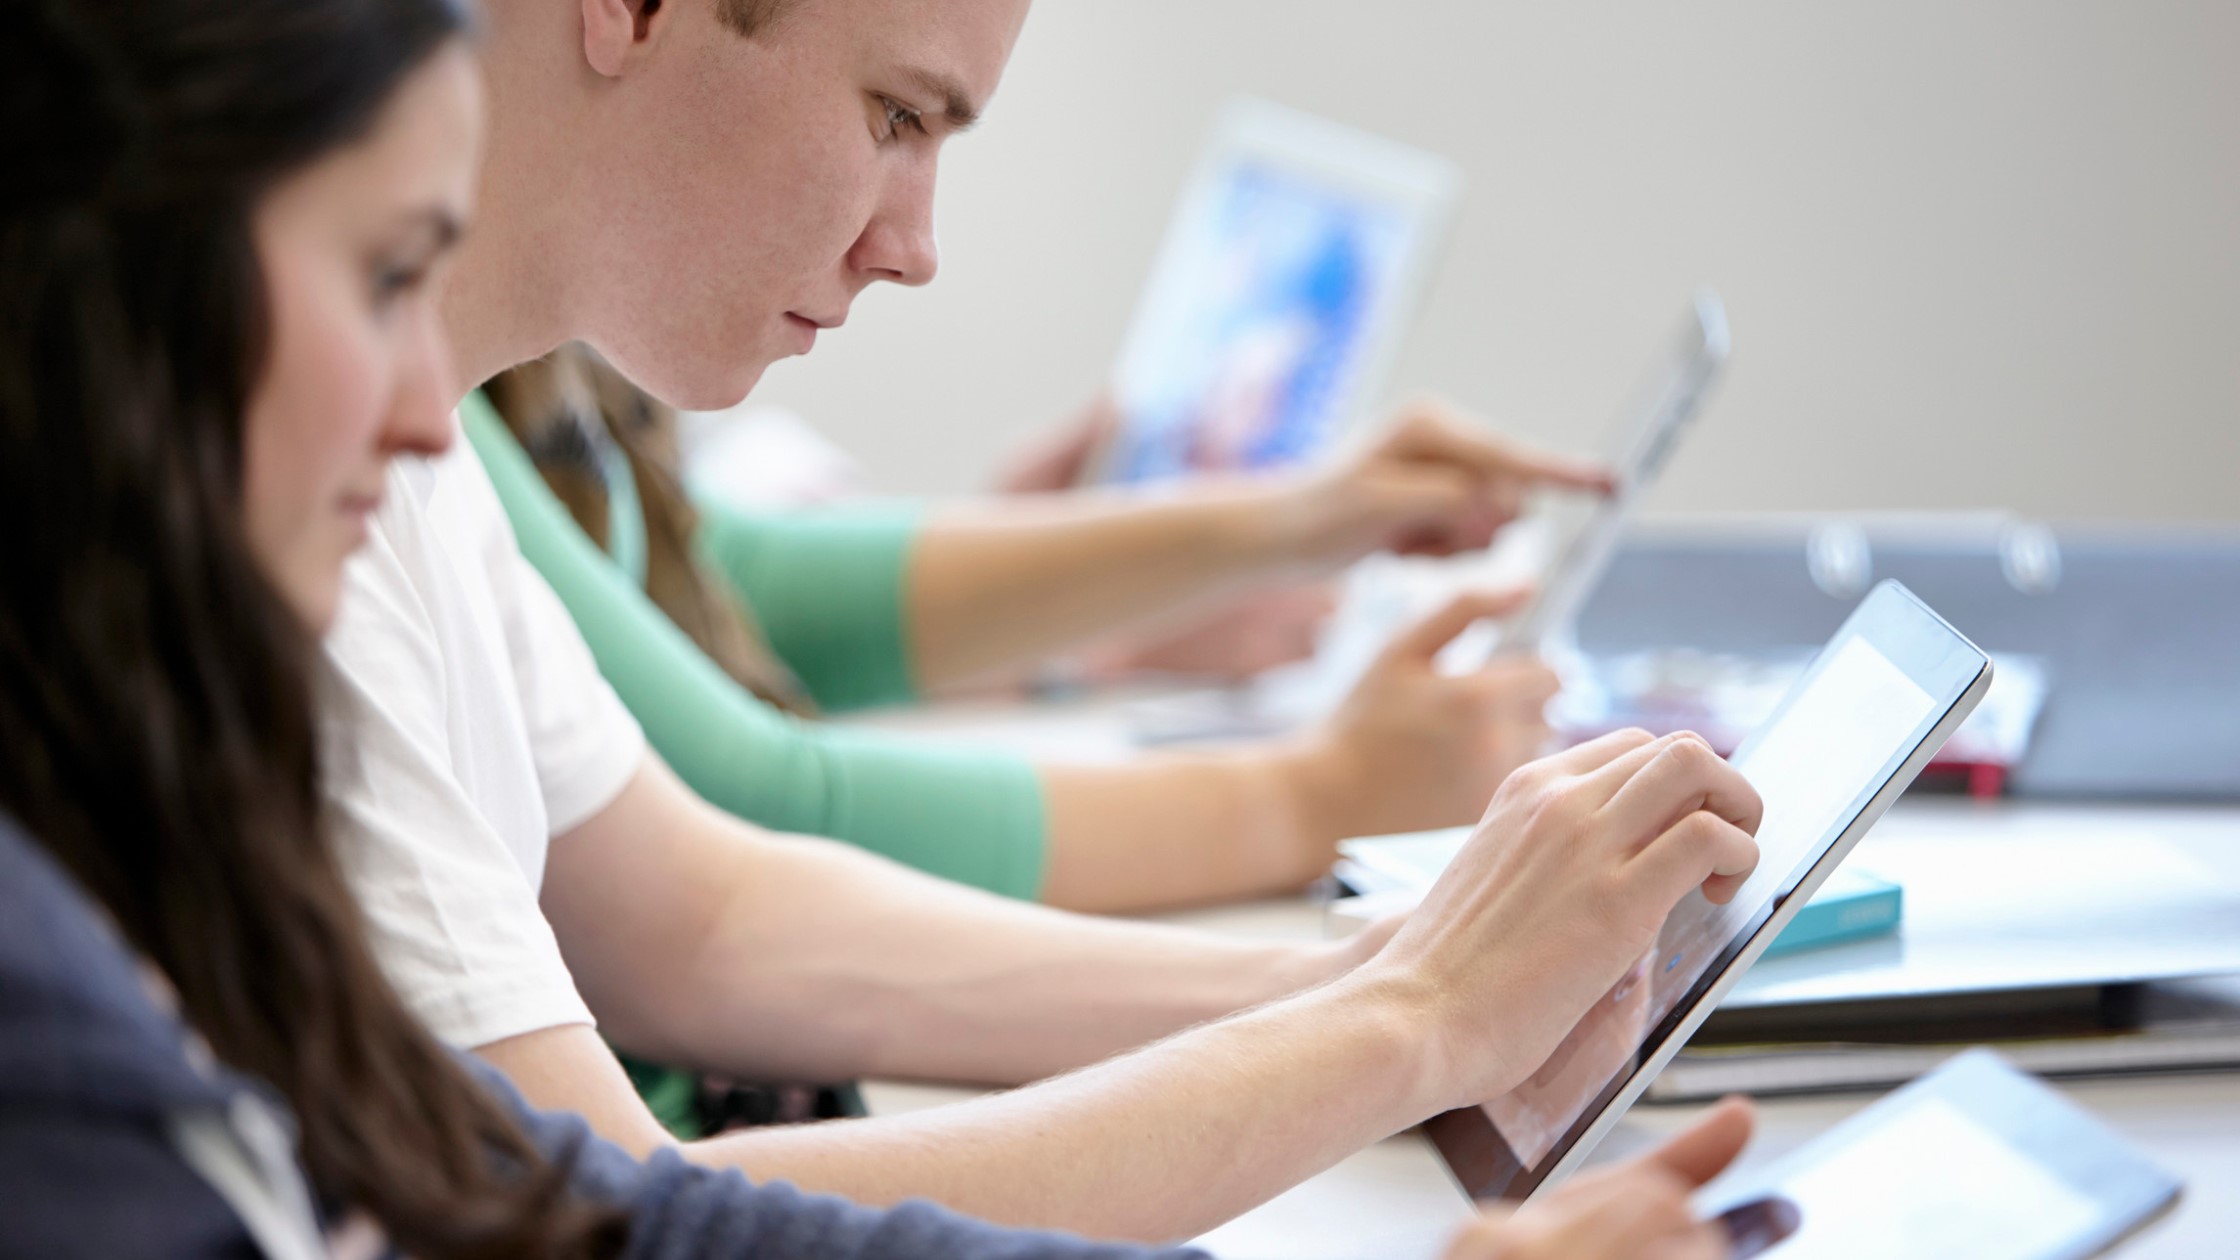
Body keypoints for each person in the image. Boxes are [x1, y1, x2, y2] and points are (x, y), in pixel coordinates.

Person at [0, 1, 1769, 1256]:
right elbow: (592, 1228)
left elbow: (703, 907)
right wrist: (1379, 978)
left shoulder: (380, 458)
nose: (917, 244)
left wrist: (1395, 995)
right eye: (897, 118)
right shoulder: (301, 523)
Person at [470, 344, 1578, 918]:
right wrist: (1317, 801)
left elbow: (716, 582)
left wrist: (1290, 518)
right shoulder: (433, 405)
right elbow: (728, 807)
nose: (916, 247)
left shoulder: (534, 369)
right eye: (893, 114)